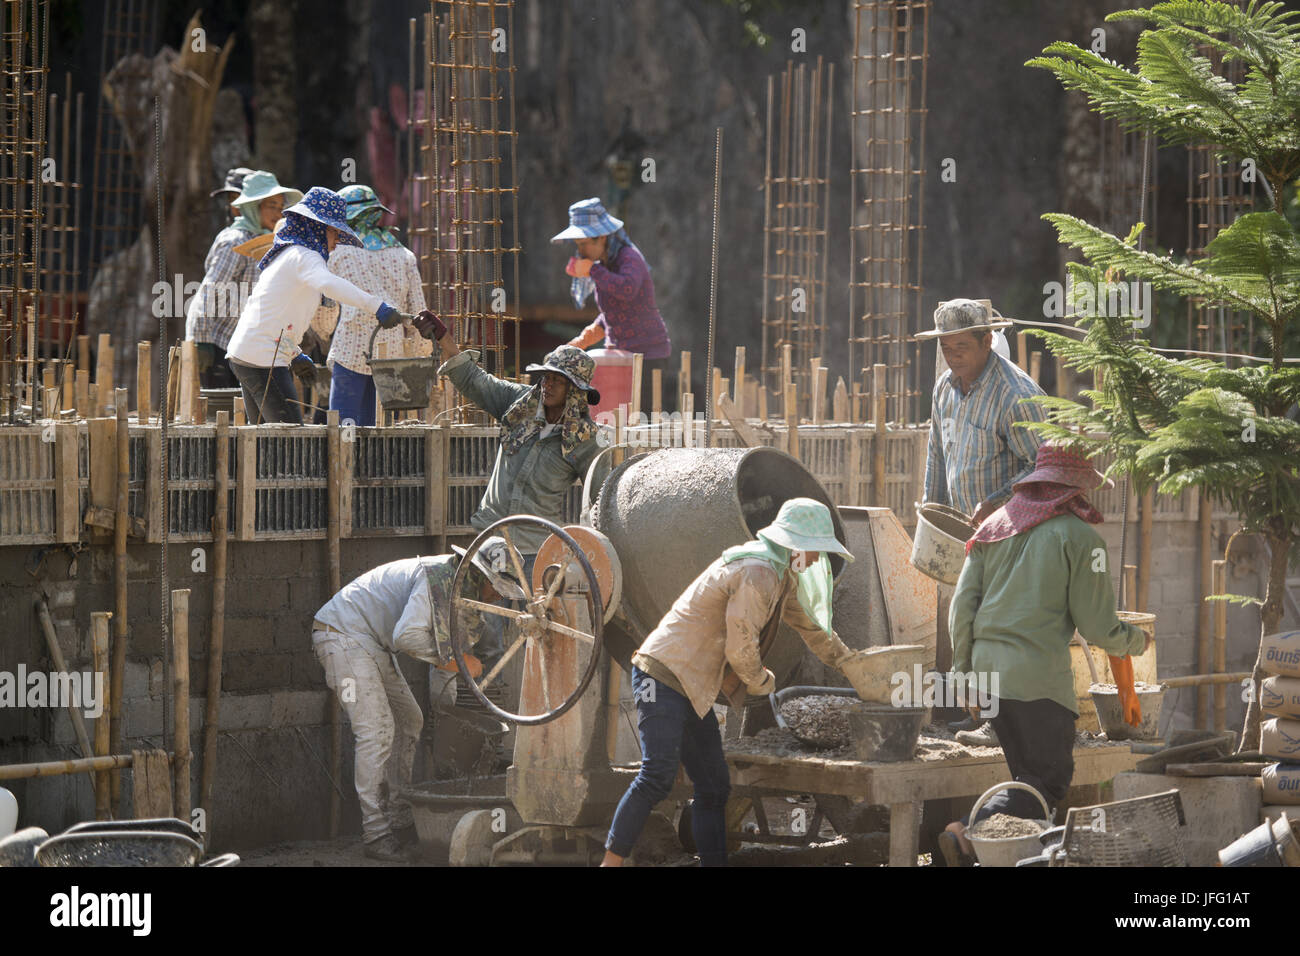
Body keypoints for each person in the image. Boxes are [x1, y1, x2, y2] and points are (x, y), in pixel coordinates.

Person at [601, 498, 857, 867]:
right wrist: (762, 681)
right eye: (816, 552)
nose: (818, 561)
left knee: (714, 786)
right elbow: (741, 648)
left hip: (693, 687)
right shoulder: (758, 572)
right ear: (796, 546)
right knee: (657, 774)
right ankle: (610, 863)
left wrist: (852, 664)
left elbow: (814, 630)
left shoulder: (779, 574)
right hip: (663, 674)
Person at [937, 444, 1150, 867]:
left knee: (1027, 781)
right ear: (1074, 489)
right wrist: (1135, 641)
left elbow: (961, 609)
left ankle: (980, 850)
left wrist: (962, 673)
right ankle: (962, 831)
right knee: (1047, 784)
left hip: (988, 678)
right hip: (1038, 683)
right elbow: (1097, 626)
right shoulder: (1081, 538)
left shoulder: (992, 528)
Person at [311, 537, 527, 862]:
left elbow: (442, 657)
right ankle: (376, 833)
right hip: (343, 634)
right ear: (480, 574)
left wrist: (449, 712)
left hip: (371, 642)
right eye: (496, 587)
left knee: (411, 720)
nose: (498, 595)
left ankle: (399, 816)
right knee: (377, 730)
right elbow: (407, 637)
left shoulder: (462, 596)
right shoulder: (436, 577)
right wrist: (457, 663)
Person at [226, 187, 415, 424]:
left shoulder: (291, 254)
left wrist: (294, 353)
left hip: (249, 353)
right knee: (289, 439)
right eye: (334, 233)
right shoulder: (305, 256)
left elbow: (274, 316)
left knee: (264, 440)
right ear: (317, 227)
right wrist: (377, 306)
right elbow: (329, 284)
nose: (336, 241)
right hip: (262, 358)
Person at [323, 184, 429, 427]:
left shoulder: (337, 251)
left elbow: (325, 308)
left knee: (343, 427)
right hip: (392, 356)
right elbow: (417, 313)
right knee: (379, 428)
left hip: (351, 349)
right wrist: (419, 356)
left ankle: (345, 464)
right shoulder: (402, 254)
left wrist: (322, 331)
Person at [185, 169, 295, 389]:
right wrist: (201, 339)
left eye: (280, 206)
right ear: (254, 208)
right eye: (271, 206)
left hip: (249, 346)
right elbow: (210, 291)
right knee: (221, 414)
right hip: (220, 344)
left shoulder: (270, 241)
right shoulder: (236, 241)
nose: (278, 213)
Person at [550, 198, 672, 395]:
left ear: (603, 237)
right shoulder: (604, 265)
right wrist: (584, 338)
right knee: (617, 417)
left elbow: (627, 289)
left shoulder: (629, 258)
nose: (580, 252)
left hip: (649, 356)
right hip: (621, 355)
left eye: (584, 243)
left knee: (641, 420)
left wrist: (592, 269)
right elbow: (614, 312)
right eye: (577, 245)